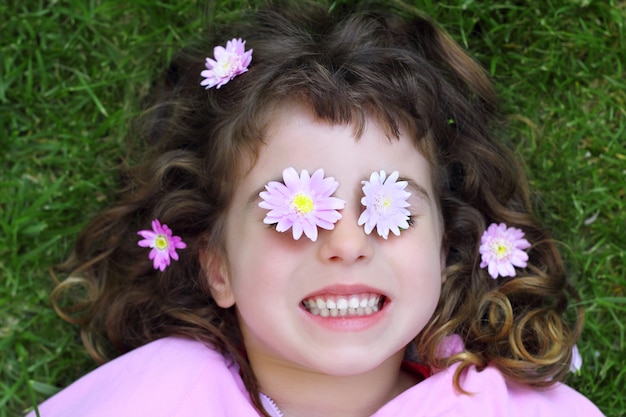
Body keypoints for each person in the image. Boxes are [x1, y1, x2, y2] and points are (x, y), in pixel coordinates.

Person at [28, 1, 605, 416]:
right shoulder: (158, 394)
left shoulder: (509, 406)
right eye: (293, 213)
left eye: (393, 208)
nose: (349, 242)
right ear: (216, 266)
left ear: (443, 246)